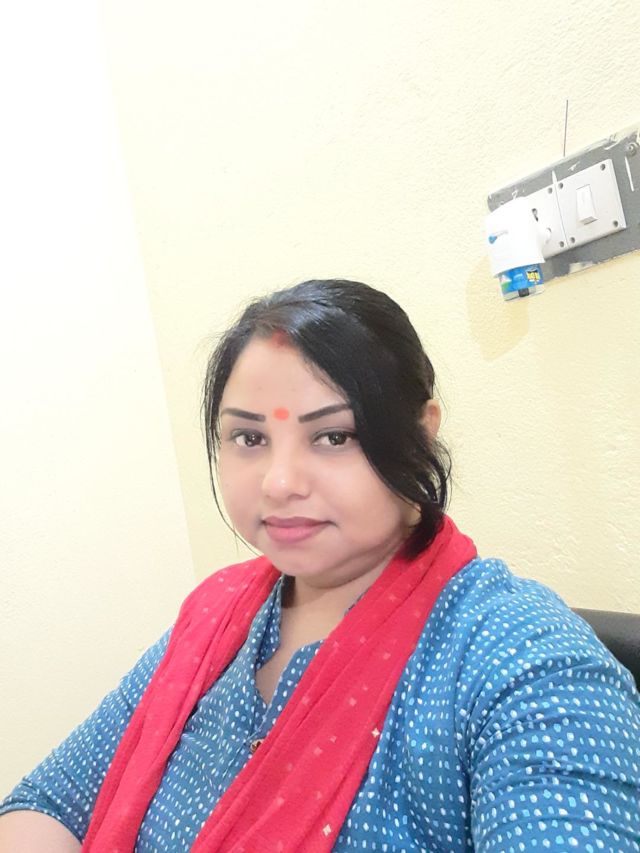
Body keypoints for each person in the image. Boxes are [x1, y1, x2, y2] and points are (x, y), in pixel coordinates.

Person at [1, 279, 639, 852]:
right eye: (250, 438)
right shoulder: (214, 617)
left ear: (422, 433)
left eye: (334, 436)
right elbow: (51, 802)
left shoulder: (524, 661)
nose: (279, 483)